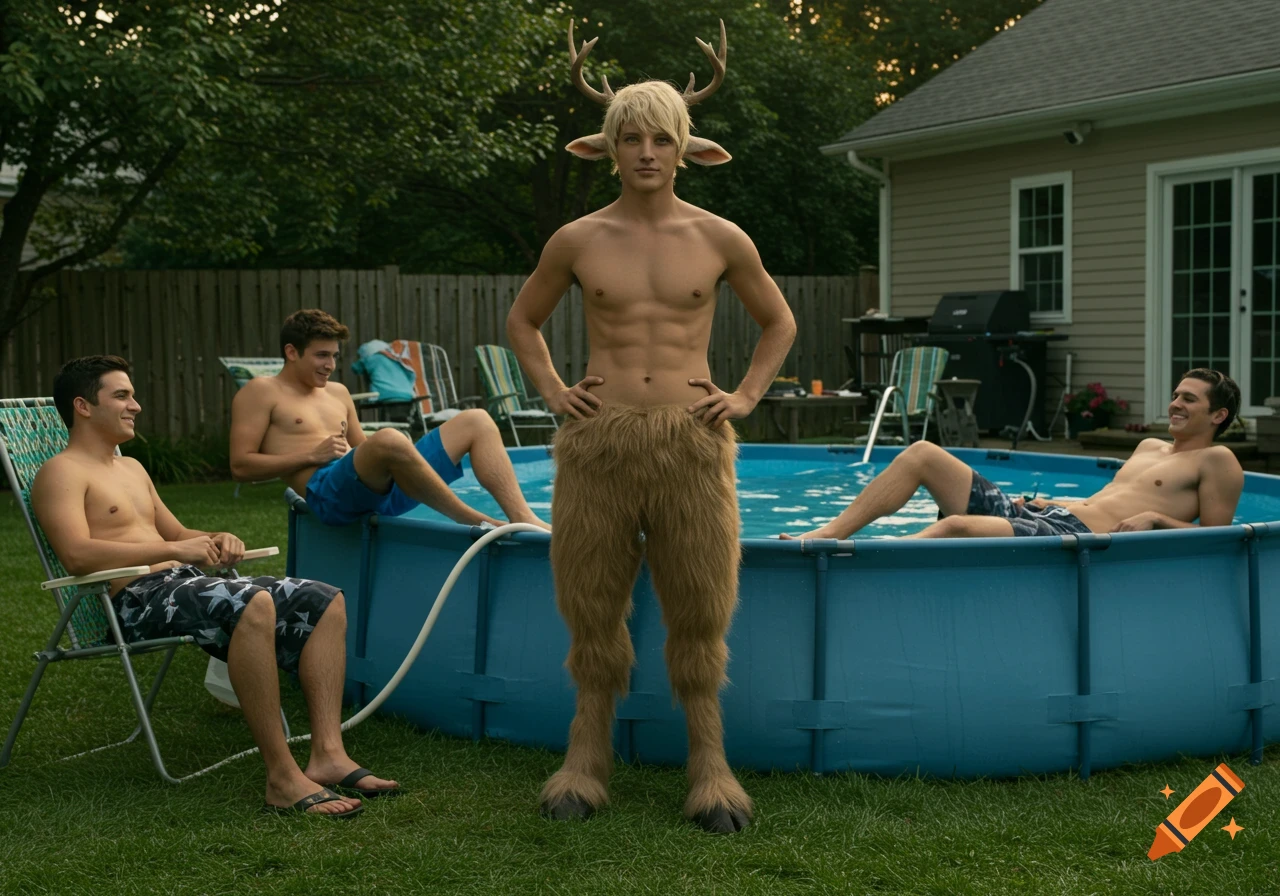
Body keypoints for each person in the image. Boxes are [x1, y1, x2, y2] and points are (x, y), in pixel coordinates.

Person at [506, 22, 796, 834]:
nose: (644, 152)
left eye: (659, 138)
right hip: (598, 443)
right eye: (628, 137)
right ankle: (584, 760)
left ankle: (711, 768)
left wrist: (743, 397)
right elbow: (523, 322)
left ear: (686, 149)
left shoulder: (718, 237)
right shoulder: (577, 239)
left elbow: (779, 323)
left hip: (691, 442)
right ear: (604, 147)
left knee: (701, 609)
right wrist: (556, 392)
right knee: (590, 606)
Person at [30, 355, 397, 818]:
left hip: (184, 583)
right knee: (254, 602)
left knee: (324, 600)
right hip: (133, 601)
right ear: (83, 406)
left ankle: (328, 754)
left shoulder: (133, 469)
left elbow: (176, 533)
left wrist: (210, 539)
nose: (136, 406)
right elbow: (77, 554)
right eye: (121, 395)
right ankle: (282, 778)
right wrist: (174, 551)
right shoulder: (61, 472)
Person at [781, 368, 1244, 541]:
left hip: (1077, 540)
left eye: (1190, 400)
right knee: (923, 452)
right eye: (1176, 395)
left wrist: (1158, 521)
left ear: (1218, 415)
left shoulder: (1217, 460)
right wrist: (1041, 503)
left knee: (957, 527)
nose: (1175, 405)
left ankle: (874, 564)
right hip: (1053, 517)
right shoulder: (1148, 446)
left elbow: (1218, 540)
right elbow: (1111, 496)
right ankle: (829, 534)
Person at [229, 309, 548, 530]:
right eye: (321, 355)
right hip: (327, 496)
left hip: (371, 490)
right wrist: (311, 456)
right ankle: (475, 520)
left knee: (476, 420)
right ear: (291, 352)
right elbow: (240, 466)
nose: (331, 365)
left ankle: (524, 518)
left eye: (335, 356)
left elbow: (362, 452)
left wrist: (401, 457)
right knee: (389, 437)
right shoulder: (263, 391)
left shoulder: (338, 393)